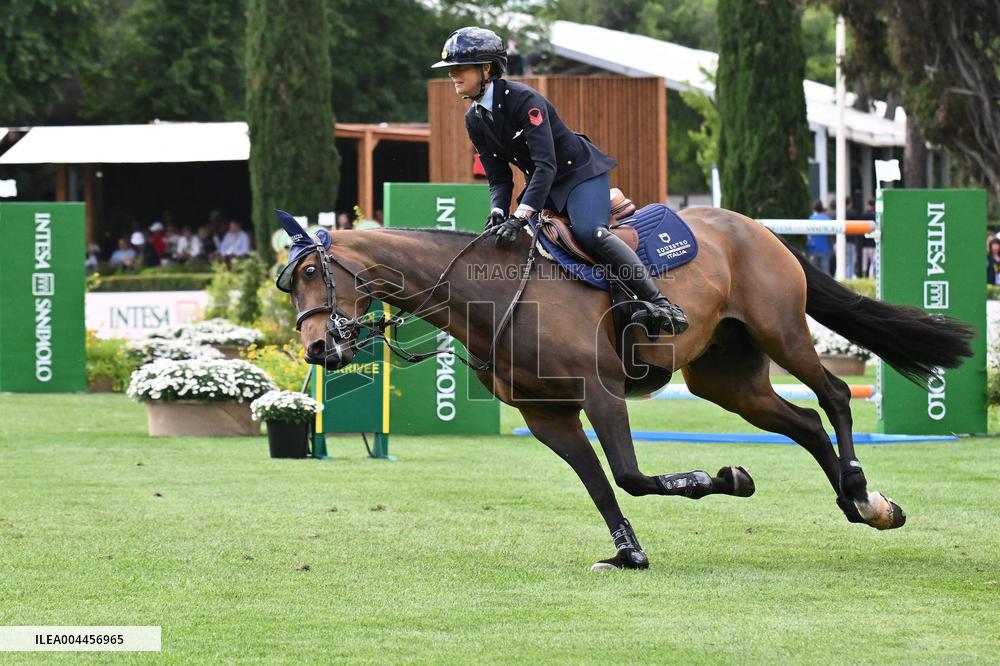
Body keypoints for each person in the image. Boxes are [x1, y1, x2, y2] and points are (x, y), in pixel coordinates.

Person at [431, 27, 687, 334]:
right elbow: (498, 177)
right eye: (451, 69)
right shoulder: (473, 119)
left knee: (590, 233)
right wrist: (498, 212)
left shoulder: (525, 100)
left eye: (459, 68)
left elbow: (546, 164)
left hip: (579, 175)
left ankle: (661, 304)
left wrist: (520, 215)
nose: (453, 75)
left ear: (486, 68)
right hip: (545, 186)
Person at [807, 200, 833, 274]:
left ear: (814, 209)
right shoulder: (827, 219)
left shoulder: (811, 219)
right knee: (825, 273)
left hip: (813, 248)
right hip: (825, 248)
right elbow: (831, 236)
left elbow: (808, 236)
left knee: (814, 273)